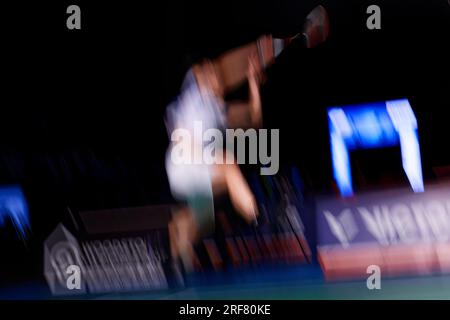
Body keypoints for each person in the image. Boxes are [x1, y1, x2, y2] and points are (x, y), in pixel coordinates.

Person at [165, 5, 330, 271]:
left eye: (215, 73)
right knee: (228, 164)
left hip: (192, 169)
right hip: (184, 158)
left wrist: (253, 83)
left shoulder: (220, 112)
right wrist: (270, 47)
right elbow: (228, 66)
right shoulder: (194, 91)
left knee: (202, 218)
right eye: (211, 72)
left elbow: (254, 121)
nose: (216, 75)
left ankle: (174, 257)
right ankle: (258, 215)